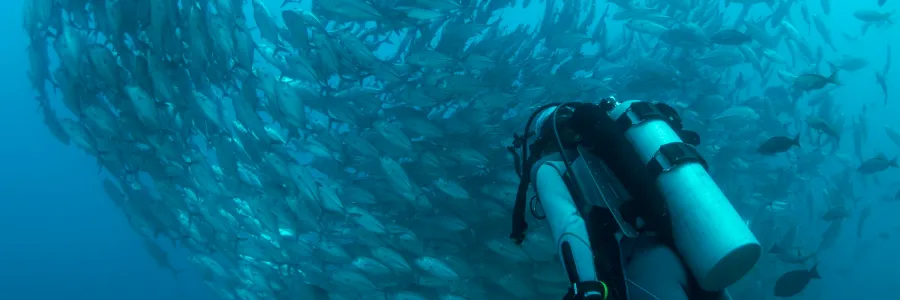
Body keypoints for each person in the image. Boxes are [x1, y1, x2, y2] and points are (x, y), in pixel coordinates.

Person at [507, 97, 757, 300]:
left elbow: (568, 226)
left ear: (548, 138)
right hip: (696, 254)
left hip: (645, 264)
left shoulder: (549, 167)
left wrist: (586, 288)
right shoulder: (627, 147)